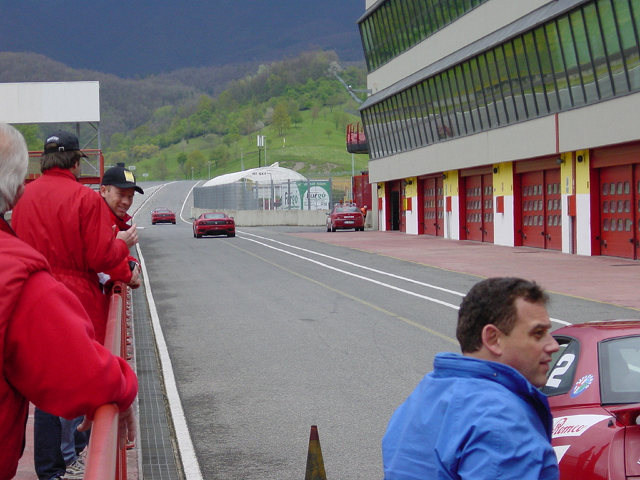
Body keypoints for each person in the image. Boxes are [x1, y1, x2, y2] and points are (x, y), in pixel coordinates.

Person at [0, 123, 138, 480]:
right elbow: (100, 256)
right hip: (68, 297)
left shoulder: (26, 198)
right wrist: (123, 250)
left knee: (34, 389)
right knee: (65, 377)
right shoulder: (84, 199)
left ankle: (52, 464)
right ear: (77, 163)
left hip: (26, 289)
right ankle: (69, 455)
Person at [382, 277, 560, 480]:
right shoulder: (502, 420)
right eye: (538, 333)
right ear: (493, 339)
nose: (553, 345)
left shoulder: (425, 394)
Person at [99, 163, 144, 290]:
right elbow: (100, 262)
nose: (126, 202)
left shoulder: (112, 220)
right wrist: (129, 274)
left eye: (130, 196)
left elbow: (120, 257)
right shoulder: (97, 218)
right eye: (121, 194)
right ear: (103, 191)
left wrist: (133, 264)